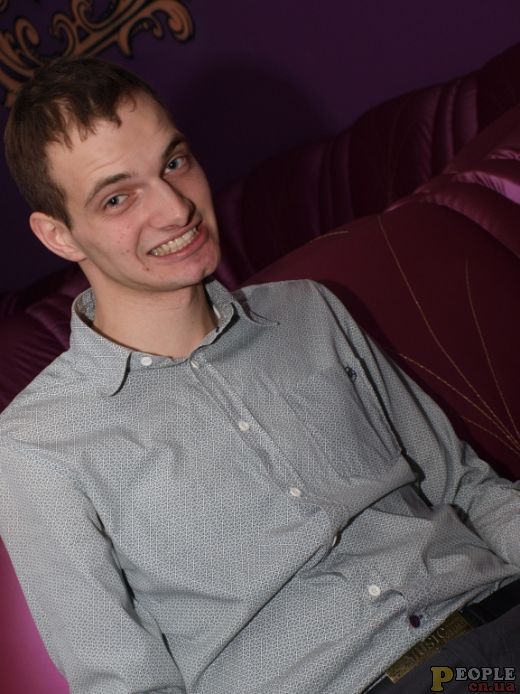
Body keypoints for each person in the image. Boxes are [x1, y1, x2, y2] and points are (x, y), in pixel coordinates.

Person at [0, 57, 519, 694]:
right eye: (117, 198)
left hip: (497, 625)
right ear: (60, 235)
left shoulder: (310, 310)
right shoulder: (39, 446)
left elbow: (467, 487)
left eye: (174, 162)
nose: (175, 208)